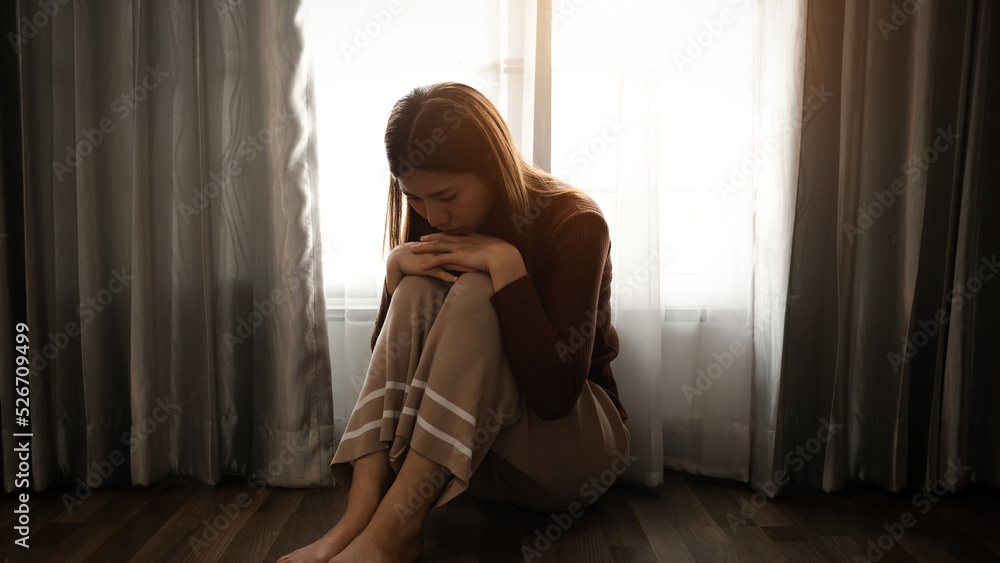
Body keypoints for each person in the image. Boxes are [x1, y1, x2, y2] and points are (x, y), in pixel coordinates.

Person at [279, 82, 630, 563]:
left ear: (494, 168)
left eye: (446, 196)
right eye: (415, 199)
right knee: (422, 283)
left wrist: (507, 266)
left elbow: (555, 396)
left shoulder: (577, 221)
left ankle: (392, 534)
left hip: (572, 454)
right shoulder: (437, 218)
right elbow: (399, 377)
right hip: (473, 465)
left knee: (476, 288)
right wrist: (393, 276)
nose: (433, 215)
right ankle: (359, 520)